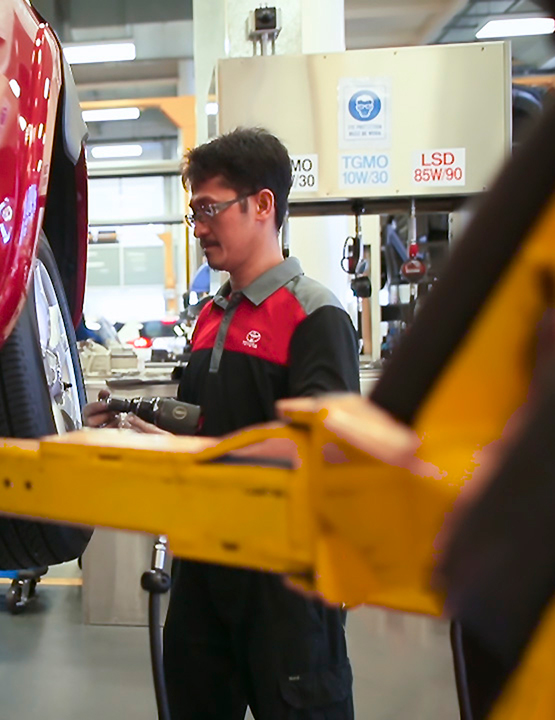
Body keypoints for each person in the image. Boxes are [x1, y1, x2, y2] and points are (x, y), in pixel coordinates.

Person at [88, 127, 360, 719]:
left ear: (263, 205)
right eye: (194, 212)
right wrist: (131, 424)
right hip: (203, 571)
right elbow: (203, 422)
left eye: (209, 209)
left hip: (283, 584)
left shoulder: (316, 316)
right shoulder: (212, 316)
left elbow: (321, 448)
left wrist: (195, 455)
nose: (200, 226)